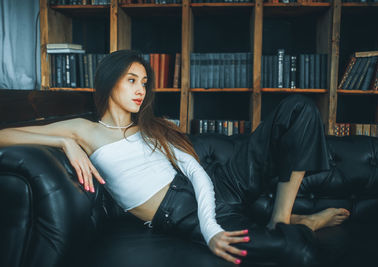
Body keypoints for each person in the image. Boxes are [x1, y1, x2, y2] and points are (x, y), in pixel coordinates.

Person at [0, 50, 350, 266]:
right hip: (177, 212)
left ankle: (283, 217)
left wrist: (210, 227)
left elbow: (195, 171)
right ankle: (298, 227)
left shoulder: (151, 126)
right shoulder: (83, 129)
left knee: (299, 108)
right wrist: (65, 141)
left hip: (216, 184)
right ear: (109, 82)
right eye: (132, 79)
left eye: (145, 82)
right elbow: (4, 135)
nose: (141, 89)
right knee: (294, 253)